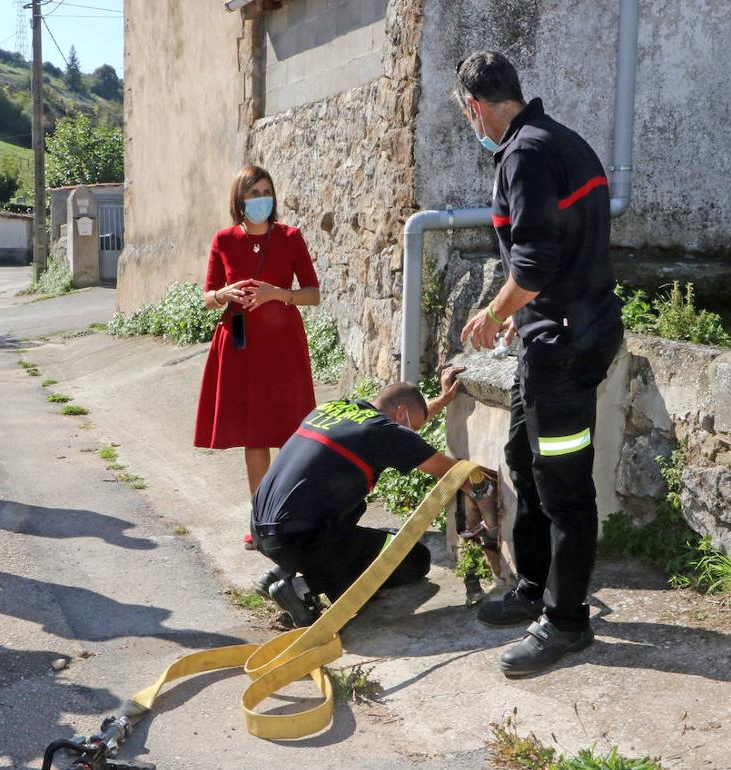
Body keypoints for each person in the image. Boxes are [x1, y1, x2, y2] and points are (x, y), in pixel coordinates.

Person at [454, 51, 624, 676]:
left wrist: (493, 313)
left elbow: (533, 262)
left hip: (564, 346)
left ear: (475, 106)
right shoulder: (558, 141)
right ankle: (534, 588)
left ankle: (567, 622)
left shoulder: (524, 152)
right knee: (525, 460)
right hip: (552, 340)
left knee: (563, 485)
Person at [251, 371, 465, 627]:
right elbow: (451, 470)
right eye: (415, 427)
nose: (414, 433)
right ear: (399, 414)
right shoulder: (384, 433)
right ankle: (301, 587)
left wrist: (442, 400)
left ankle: (282, 570)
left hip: (262, 530)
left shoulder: (332, 410)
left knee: (354, 504)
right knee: (416, 560)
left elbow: (405, 427)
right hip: (298, 540)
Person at [195, 165, 321, 549]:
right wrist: (225, 293)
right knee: (255, 436)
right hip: (240, 347)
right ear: (239, 200)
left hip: (283, 346)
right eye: (252, 193)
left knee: (292, 434)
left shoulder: (290, 237)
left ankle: (298, 516)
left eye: (265, 191)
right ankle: (262, 520)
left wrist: (275, 294)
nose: (260, 199)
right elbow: (206, 298)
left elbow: (312, 294)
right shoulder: (223, 240)